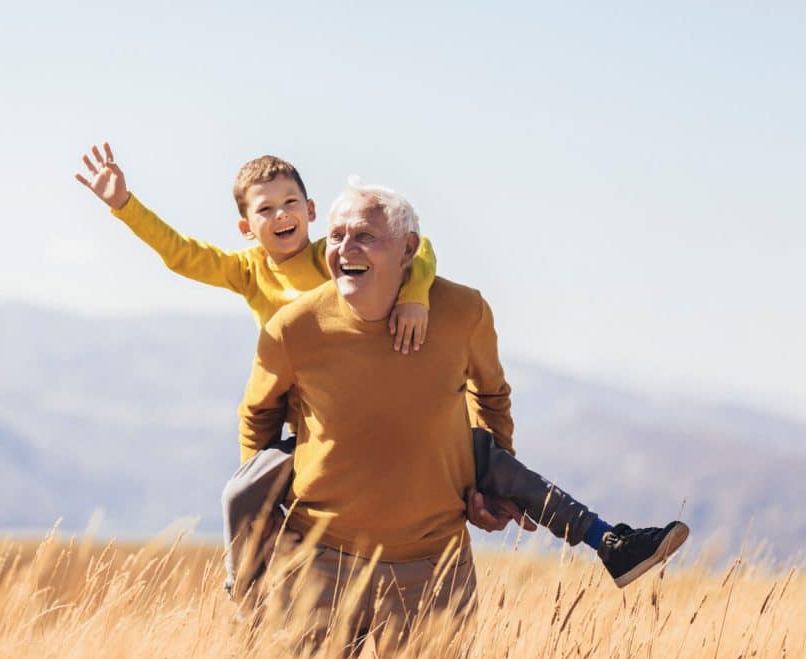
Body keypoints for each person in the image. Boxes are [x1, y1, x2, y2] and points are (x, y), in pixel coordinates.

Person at [73, 145, 689, 598]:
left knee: (496, 462)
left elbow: (417, 250)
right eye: (266, 209)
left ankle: (610, 540)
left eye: (292, 203)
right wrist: (125, 204)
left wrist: (417, 295)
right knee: (244, 492)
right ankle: (248, 583)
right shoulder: (249, 272)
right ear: (247, 226)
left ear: (310, 210)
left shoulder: (338, 250)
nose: (282, 215)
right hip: (312, 435)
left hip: (408, 428)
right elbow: (183, 256)